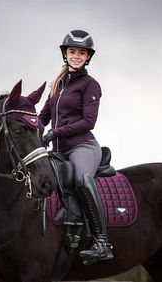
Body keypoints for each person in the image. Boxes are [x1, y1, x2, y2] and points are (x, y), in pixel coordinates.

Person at [39, 29, 113, 265]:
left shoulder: (91, 85)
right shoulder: (57, 84)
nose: (77, 56)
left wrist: (55, 133)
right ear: (66, 54)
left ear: (87, 57)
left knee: (82, 179)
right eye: (73, 51)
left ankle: (101, 242)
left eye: (82, 53)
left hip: (82, 146)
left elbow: (88, 122)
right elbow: (43, 117)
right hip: (59, 151)